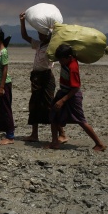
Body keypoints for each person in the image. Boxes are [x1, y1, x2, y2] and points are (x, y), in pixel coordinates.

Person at [19, 12, 67, 143]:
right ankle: (34, 134)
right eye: (39, 33)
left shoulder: (52, 46)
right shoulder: (39, 44)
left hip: (46, 77)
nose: (39, 35)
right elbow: (24, 36)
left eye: (42, 33)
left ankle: (62, 133)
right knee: (34, 104)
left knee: (50, 105)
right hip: (36, 77)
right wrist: (22, 21)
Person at [47, 44, 106, 151]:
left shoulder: (72, 67)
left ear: (69, 57)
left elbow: (75, 88)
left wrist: (62, 100)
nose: (60, 62)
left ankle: (99, 143)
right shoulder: (67, 61)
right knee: (54, 115)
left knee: (81, 120)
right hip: (64, 92)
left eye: (61, 60)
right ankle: (54, 142)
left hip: (72, 96)